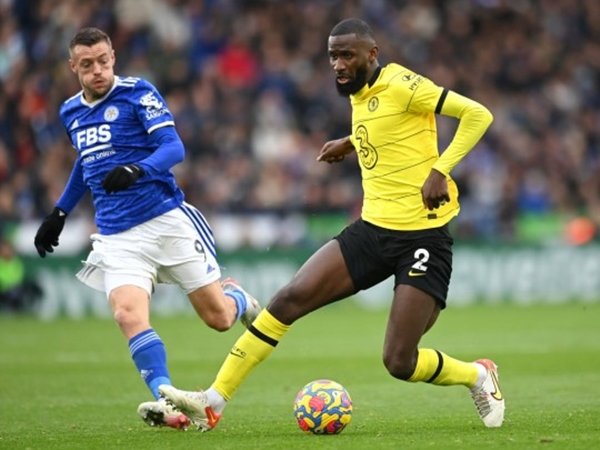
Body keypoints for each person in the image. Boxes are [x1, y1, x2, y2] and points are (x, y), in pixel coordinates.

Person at [159, 18, 504, 431]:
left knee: (399, 360)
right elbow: (388, 127)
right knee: (289, 298)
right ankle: (213, 401)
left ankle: (478, 375)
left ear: (371, 55)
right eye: (332, 56)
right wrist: (353, 141)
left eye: (347, 55)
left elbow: (478, 114)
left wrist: (439, 170)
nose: (338, 64)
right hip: (372, 231)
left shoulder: (404, 84)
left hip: (423, 239)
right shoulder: (360, 93)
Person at [33, 27, 261, 430]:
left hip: (165, 220)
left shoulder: (138, 93)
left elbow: (174, 148)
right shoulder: (70, 111)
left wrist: (139, 168)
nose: (97, 71)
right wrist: (60, 212)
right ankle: (166, 400)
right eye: (87, 65)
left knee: (219, 319)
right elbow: (85, 163)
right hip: (117, 235)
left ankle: (238, 297)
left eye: (103, 61)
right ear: (73, 67)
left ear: (113, 57)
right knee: (126, 314)